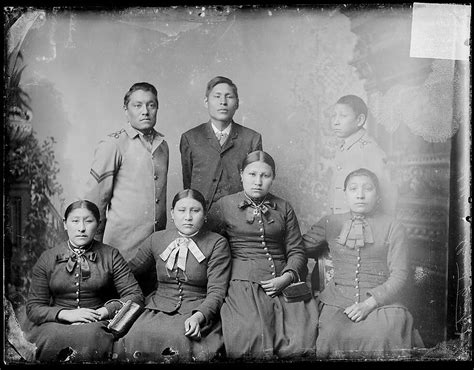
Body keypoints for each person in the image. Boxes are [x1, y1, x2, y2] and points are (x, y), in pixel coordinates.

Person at [303, 168, 424, 358]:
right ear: (345, 194)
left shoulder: (393, 226)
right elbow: (298, 248)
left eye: (368, 189)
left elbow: (400, 274)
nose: (360, 195)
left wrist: (369, 304)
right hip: (337, 302)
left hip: (381, 303)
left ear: (377, 195)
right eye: (353, 189)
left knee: (383, 336)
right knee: (330, 337)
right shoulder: (330, 222)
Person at [211, 151, 319, 359]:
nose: (258, 181)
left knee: (301, 335)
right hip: (242, 284)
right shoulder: (224, 206)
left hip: (283, 281)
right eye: (252, 174)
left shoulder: (284, 207)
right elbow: (210, 246)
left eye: (265, 176)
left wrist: (286, 278)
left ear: (273, 178)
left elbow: (296, 250)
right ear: (241, 174)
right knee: (249, 333)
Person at [114, 189, 231, 363]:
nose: (188, 217)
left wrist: (199, 316)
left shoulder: (217, 243)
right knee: (133, 338)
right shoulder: (157, 239)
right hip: (156, 308)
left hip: (195, 310)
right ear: (172, 214)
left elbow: (217, 291)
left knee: (180, 343)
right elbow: (130, 270)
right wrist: (105, 262)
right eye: (182, 210)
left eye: (195, 210)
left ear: (205, 214)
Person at [25, 200, 144, 362]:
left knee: (91, 340)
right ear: (65, 224)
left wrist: (104, 311)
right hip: (56, 323)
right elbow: (33, 307)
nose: (81, 228)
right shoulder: (48, 258)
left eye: (88, 221)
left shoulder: (111, 255)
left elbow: (135, 295)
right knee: (50, 341)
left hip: (95, 323)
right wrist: (66, 314)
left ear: (98, 224)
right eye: (75, 221)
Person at [83, 82, 168, 294]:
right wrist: (93, 250)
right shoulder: (114, 144)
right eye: (137, 105)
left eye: (151, 105)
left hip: (154, 253)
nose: (145, 111)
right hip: (120, 253)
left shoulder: (163, 146)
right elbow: (95, 201)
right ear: (126, 109)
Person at [179, 76, 262, 228]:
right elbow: (188, 182)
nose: (223, 102)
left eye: (229, 97)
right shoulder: (190, 138)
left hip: (240, 222)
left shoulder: (251, 139)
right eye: (217, 97)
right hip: (202, 221)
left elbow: (256, 183)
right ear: (206, 102)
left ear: (237, 103)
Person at [329, 95, 396, 215]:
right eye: (334, 116)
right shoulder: (342, 147)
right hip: (341, 222)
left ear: (359, 120)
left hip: (363, 225)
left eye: (343, 116)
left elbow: (387, 196)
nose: (335, 122)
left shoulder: (370, 150)